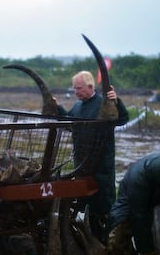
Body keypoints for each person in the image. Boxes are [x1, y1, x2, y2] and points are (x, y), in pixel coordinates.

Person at [57, 71, 129, 242]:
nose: (76, 91)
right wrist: (57, 108)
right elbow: (69, 123)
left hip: (101, 166)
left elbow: (122, 119)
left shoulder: (103, 103)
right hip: (81, 165)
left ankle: (106, 241)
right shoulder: (77, 106)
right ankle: (88, 239)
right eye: (74, 88)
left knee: (102, 206)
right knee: (84, 205)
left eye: (79, 88)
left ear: (91, 87)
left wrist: (116, 102)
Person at [107, 151, 160, 255]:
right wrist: (146, 250)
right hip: (131, 200)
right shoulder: (137, 182)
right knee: (117, 236)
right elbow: (139, 220)